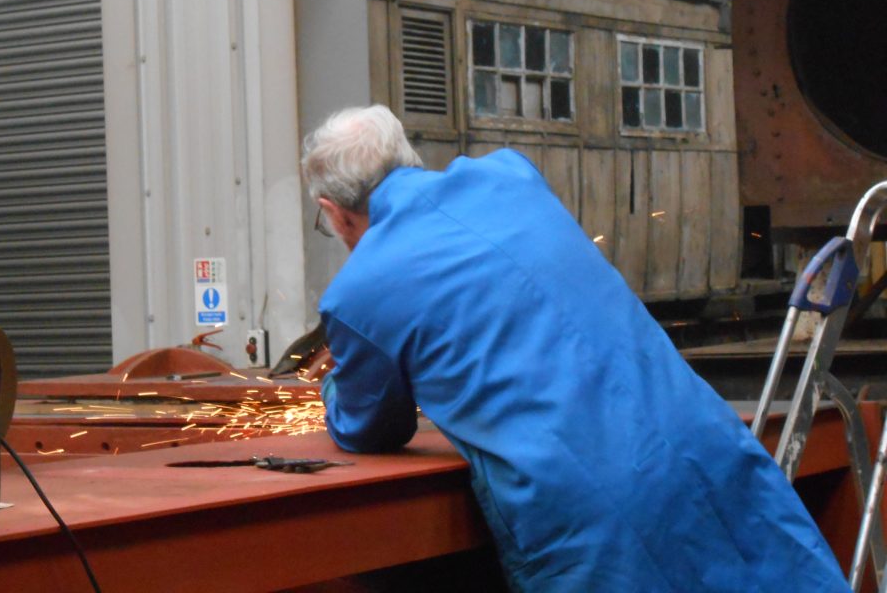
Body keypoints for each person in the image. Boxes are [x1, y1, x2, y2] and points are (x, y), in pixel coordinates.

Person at [301, 104, 850, 592]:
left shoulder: (358, 290)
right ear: (408, 156)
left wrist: (332, 381)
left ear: (336, 212)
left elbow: (369, 426)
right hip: (701, 444)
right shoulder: (511, 175)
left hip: (595, 511)